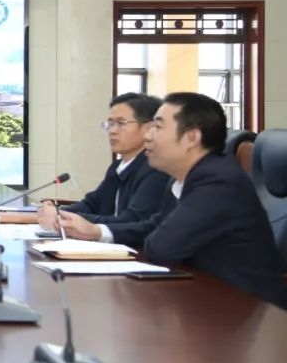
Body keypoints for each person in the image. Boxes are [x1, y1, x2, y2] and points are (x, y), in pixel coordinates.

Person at [118, 93, 283, 307]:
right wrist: (98, 232)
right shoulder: (184, 177)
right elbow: (154, 226)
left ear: (192, 138)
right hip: (208, 298)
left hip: (250, 310)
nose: (147, 136)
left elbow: (161, 247)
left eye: (157, 127)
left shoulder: (218, 182)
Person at [39, 93, 171, 241]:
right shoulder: (117, 167)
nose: (112, 131)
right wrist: (58, 212)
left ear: (149, 128)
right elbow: (92, 204)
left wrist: (61, 216)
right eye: (110, 123)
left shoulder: (156, 169)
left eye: (121, 123)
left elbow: (133, 220)